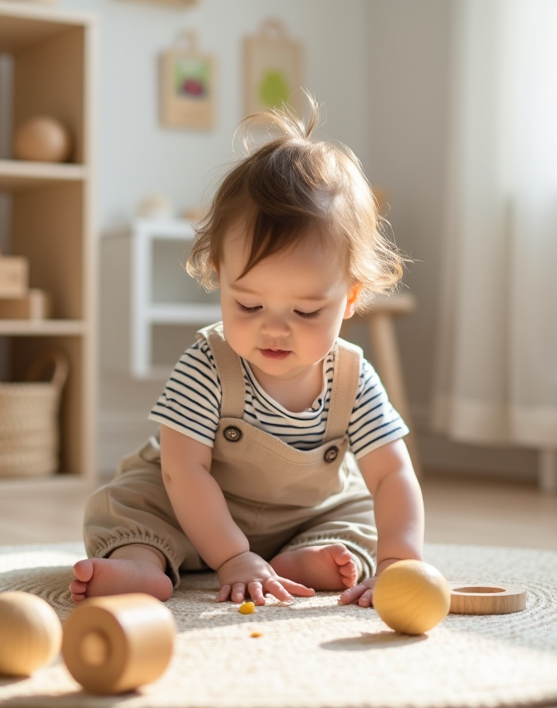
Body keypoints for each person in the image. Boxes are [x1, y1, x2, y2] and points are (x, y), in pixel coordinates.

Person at [71, 95, 423, 608]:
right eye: (250, 304)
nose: (274, 330)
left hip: (304, 516)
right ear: (220, 277)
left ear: (348, 299)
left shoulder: (351, 377)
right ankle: (140, 565)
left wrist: (399, 561)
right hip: (188, 510)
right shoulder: (207, 363)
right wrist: (233, 556)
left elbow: (392, 473)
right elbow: (182, 471)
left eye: (305, 312)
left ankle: (306, 556)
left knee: (361, 516)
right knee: (129, 506)